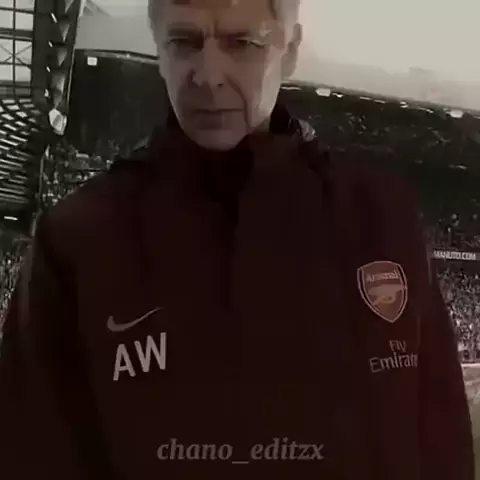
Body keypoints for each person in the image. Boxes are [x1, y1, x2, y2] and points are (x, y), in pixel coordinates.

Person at [0, 0, 474, 479]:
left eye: (242, 43)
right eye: (184, 41)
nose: (208, 76)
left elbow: (441, 446)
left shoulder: (383, 219)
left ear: (290, 51)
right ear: (158, 47)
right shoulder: (76, 241)